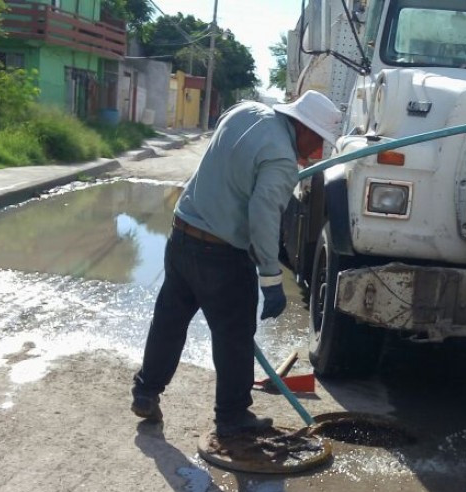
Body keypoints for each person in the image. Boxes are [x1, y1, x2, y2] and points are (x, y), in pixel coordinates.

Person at [131, 91, 343, 439]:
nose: (317, 149)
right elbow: (263, 218)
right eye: (318, 139)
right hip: (221, 252)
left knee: (170, 319)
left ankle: (146, 391)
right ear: (303, 128)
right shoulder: (282, 160)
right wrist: (271, 279)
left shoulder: (245, 111)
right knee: (235, 336)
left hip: (182, 233)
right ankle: (232, 416)